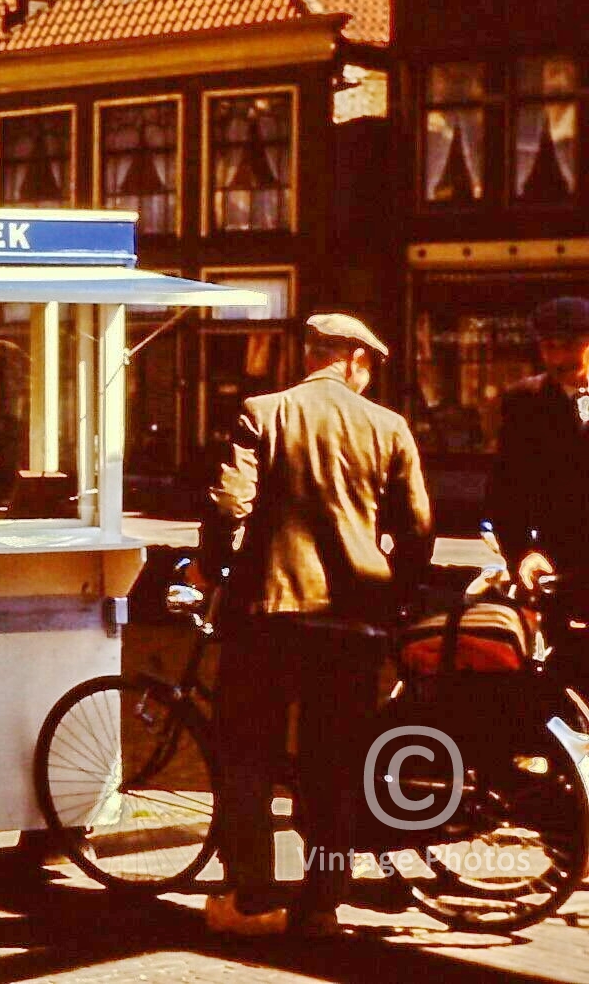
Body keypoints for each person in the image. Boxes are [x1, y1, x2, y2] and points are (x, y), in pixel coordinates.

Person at [195, 314, 433, 938]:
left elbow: (227, 503)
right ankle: (323, 901)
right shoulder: (390, 427)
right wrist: (394, 595)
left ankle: (252, 899)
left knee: (248, 753)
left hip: (267, 616)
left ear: (315, 356)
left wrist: (212, 568)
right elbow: (417, 532)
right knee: (336, 761)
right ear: (356, 359)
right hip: (352, 623)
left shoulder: (262, 411)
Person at [488, 296, 589, 690]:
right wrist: (521, 553)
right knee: (567, 677)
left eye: (569, 346)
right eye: (548, 347)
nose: (558, 357)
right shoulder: (524, 403)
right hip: (558, 566)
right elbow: (504, 491)